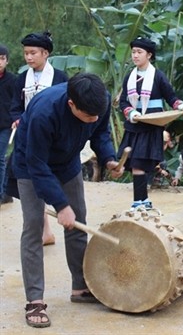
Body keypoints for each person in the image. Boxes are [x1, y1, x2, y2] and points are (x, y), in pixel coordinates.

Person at [11, 73, 124, 328]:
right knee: (33, 228)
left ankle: (80, 287)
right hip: (31, 166)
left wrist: (109, 159)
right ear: (71, 104)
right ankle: (35, 300)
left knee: (78, 221)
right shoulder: (44, 112)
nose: (93, 119)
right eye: (88, 116)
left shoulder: (99, 102)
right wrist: (60, 206)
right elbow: (37, 164)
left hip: (68, 163)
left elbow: (101, 134)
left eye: (97, 114)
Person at [8, 31, 69, 245]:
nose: (28, 58)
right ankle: (45, 231)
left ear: (45, 53)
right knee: (31, 182)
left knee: (47, 180)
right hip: (27, 136)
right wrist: (16, 119)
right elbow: (16, 106)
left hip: (51, 138)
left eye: (33, 53)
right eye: (26, 53)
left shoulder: (60, 78)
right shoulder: (22, 78)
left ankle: (50, 228)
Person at [118, 37, 183, 211]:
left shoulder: (158, 76)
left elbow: (170, 96)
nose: (135, 55)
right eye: (133, 52)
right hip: (134, 125)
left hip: (151, 125)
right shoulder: (129, 77)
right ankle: (141, 201)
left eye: (139, 52)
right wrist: (131, 112)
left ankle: (140, 201)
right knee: (136, 163)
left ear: (149, 55)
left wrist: (180, 105)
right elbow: (123, 102)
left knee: (139, 164)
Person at [0, 45, 16, 205]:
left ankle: (1, 193)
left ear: (7, 61)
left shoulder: (12, 81)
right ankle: (5, 192)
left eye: (2, 58)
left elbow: (17, 103)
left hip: (6, 125)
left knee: (0, 158)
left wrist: (15, 119)